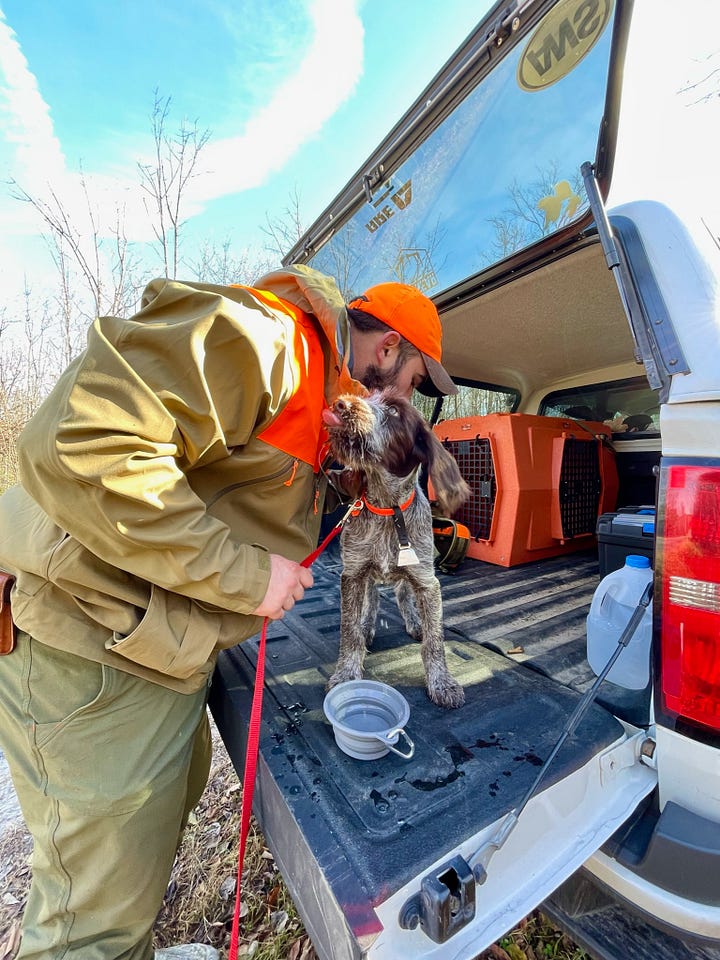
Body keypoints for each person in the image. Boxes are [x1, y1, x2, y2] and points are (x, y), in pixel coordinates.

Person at [0, 265, 457, 960]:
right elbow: (89, 442)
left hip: (156, 643)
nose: (407, 399)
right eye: (414, 382)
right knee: (88, 922)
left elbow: (235, 484)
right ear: (388, 348)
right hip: (87, 638)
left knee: (150, 834)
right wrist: (250, 576)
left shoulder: (326, 399)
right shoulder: (268, 339)